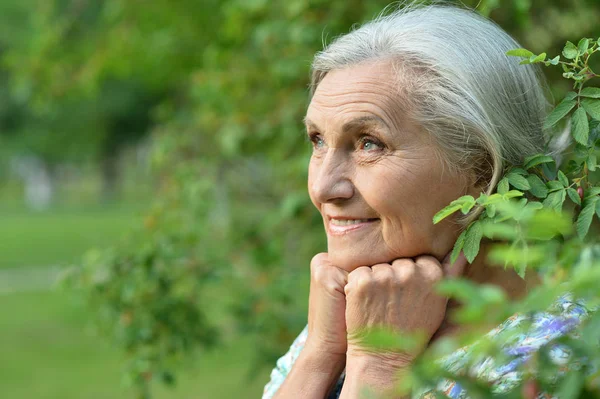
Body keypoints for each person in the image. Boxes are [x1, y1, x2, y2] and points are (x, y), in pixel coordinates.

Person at [262, 3, 588, 398]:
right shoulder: (364, 305)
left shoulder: (561, 361)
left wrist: (378, 367)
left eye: (369, 143)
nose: (322, 187)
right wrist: (321, 353)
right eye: (318, 141)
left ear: (482, 169)